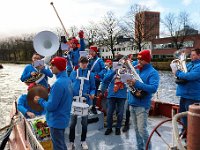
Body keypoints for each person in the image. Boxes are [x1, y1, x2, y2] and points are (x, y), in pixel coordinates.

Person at [34, 57, 73, 150]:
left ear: (58, 66)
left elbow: (51, 107)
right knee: (61, 143)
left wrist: (40, 100)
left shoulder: (58, 84)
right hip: (63, 118)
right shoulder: (68, 80)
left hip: (56, 121)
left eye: (52, 65)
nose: (50, 67)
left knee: (58, 146)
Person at [127, 50, 159, 150]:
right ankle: (140, 148)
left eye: (141, 59)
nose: (138, 61)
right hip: (132, 103)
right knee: (136, 130)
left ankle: (148, 148)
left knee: (142, 130)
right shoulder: (137, 69)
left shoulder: (153, 73)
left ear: (147, 60)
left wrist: (136, 83)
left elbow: (153, 88)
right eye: (138, 59)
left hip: (142, 105)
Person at [68, 56, 96, 150]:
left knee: (84, 123)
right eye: (82, 62)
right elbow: (69, 86)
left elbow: (93, 88)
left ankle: (83, 141)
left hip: (85, 102)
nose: (84, 64)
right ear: (79, 63)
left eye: (85, 63)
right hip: (74, 101)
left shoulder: (91, 75)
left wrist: (92, 94)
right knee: (72, 123)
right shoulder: (73, 73)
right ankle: (71, 142)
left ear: (87, 63)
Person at [173, 48, 200, 136]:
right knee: (183, 115)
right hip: (184, 94)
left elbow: (190, 76)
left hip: (193, 96)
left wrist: (178, 73)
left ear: (199, 55)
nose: (191, 57)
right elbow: (182, 72)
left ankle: (191, 136)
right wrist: (175, 69)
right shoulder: (189, 65)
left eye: (193, 55)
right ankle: (185, 131)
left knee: (191, 118)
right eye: (191, 55)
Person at [103, 63, 127, 135]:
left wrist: (125, 73)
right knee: (109, 112)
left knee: (120, 113)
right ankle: (109, 128)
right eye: (117, 64)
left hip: (122, 95)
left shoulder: (126, 71)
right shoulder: (111, 71)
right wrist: (114, 71)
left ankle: (118, 128)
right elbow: (105, 80)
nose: (119, 66)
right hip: (112, 94)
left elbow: (130, 81)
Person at [87, 46, 106, 114]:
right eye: (90, 51)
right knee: (88, 92)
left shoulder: (99, 60)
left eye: (92, 51)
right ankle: (88, 105)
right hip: (89, 79)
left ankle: (93, 106)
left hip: (96, 79)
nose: (91, 53)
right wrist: (88, 61)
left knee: (94, 93)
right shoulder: (89, 60)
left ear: (95, 52)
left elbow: (104, 69)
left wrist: (99, 75)